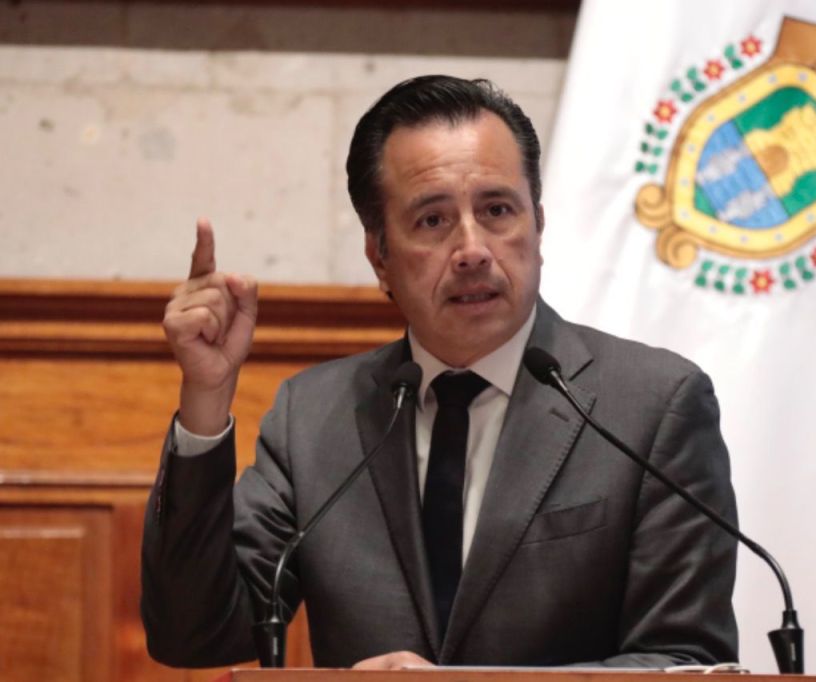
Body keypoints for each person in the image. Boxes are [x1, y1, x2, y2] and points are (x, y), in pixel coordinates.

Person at [142, 75, 738, 669]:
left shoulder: (651, 406)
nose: (473, 250)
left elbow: (687, 659)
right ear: (379, 257)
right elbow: (197, 636)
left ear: (538, 225)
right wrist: (206, 396)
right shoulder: (314, 417)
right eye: (432, 220)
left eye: (497, 210)